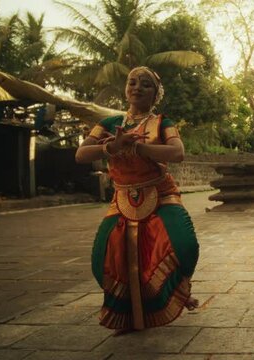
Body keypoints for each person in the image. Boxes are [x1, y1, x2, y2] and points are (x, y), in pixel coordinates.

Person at [75, 66, 199, 335]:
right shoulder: (109, 125)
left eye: (145, 84)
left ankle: (174, 292)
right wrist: (112, 147)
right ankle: (127, 312)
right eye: (132, 82)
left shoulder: (162, 123)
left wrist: (139, 147)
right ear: (126, 88)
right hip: (122, 195)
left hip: (160, 191)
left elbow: (177, 153)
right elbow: (81, 154)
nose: (137, 87)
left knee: (185, 246)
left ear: (155, 94)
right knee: (102, 260)